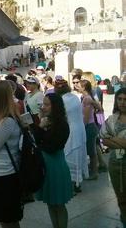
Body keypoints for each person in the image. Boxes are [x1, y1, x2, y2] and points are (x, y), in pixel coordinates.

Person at [0, 80, 23, 228]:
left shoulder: (6, 122)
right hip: (1, 174)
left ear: (1, 96)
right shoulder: (2, 119)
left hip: (6, 177)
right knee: (7, 218)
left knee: (8, 219)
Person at [33, 93, 73, 228]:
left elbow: (51, 147)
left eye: (47, 104)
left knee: (59, 204)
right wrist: (40, 126)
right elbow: (38, 141)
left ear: (55, 106)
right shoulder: (46, 121)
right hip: (46, 165)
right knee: (50, 203)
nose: (43, 107)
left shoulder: (61, 124)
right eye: (43, 104)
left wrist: (40, 128)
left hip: (56, 166)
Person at [54, 79, 88, 193]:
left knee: (69, 157)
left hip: (70, 130)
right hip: (80, 129)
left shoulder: (62, 100)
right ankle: (77, 183)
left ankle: (71, 185)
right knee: (78, 155)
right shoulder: (74, 97)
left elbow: (59, 117)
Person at [100, 88, 126, 228]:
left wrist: (113, 139)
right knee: (121, 199)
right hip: (115, 165)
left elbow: (109, 139)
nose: (122, 102)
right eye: (120, 99)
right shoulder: (112, 118)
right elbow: (104, 139)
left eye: (125, 99)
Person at [79, 79, 102, 180]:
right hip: (90, 126)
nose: (76, 86)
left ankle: (94, 172)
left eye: (78, 85)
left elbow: (86, 117)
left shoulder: (86, 99)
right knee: (92, 149)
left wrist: (81, 127)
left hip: (89, 127)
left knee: (91, 151)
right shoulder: (86, 97)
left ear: (83, 87)